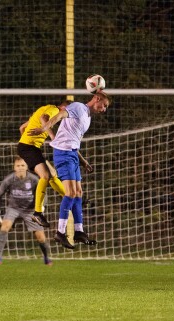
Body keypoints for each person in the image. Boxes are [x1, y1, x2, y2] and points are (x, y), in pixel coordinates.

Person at [29, 90, 111, 249]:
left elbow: (73, 140)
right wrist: (43, 128)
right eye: (104, 105)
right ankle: (60, 233)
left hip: (72, 154)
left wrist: (83, 161)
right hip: (63, 153)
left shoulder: (87, 117)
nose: (104, 109)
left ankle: (79, 231)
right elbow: (59, 116)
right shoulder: (78, 107)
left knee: (79, 193)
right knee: (70, 193)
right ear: (97, 98)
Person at [17, 100, 93, 227]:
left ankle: (72, 198)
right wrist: (53, 137)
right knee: (45, 176)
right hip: (29, 147)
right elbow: (43, 118)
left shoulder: (43, 108)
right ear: (65, 107)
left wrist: (26, 141)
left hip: (29, 147)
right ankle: (37, 212)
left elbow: (22, 128)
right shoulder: (54, 110)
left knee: (52, 175)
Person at [0, 156, 52, 266]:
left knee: (40, 236)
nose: (20, 168)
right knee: (4, 226)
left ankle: (47, 258)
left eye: (22, 165)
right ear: (14, 167)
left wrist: (41, 206)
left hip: (30, 210)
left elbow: (43, 192)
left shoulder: (33, 179)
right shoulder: (9, 179)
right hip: (13, 208)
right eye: (18, 165)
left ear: (27, 167)